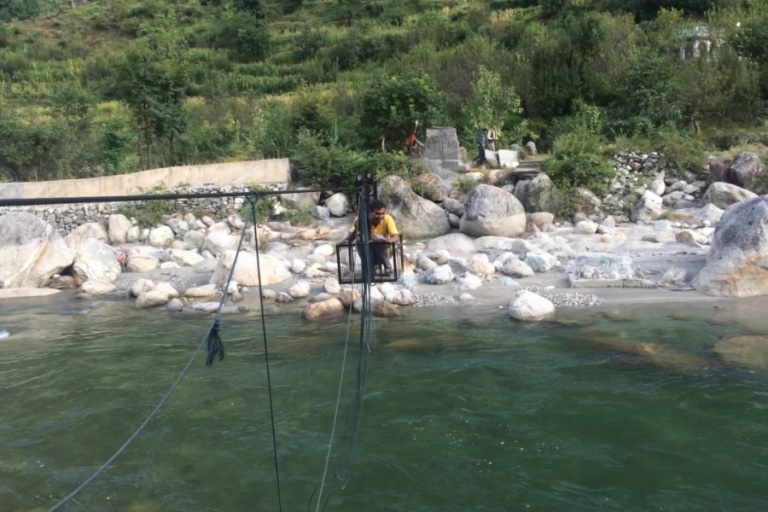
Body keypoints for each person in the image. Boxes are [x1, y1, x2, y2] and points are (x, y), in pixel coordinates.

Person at [346, 199, 400, 276]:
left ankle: (387, 267)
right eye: (377, 214)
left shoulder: (387, 219)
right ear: (370, 213)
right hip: (368, 253)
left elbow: (396, 236)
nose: (380, 216)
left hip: (384, 252)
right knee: (360, 240)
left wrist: (388, 241)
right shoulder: (361, 219)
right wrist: (356, 227)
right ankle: (370, 270)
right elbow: (350, 239)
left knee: (378, 240)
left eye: (382, 214)